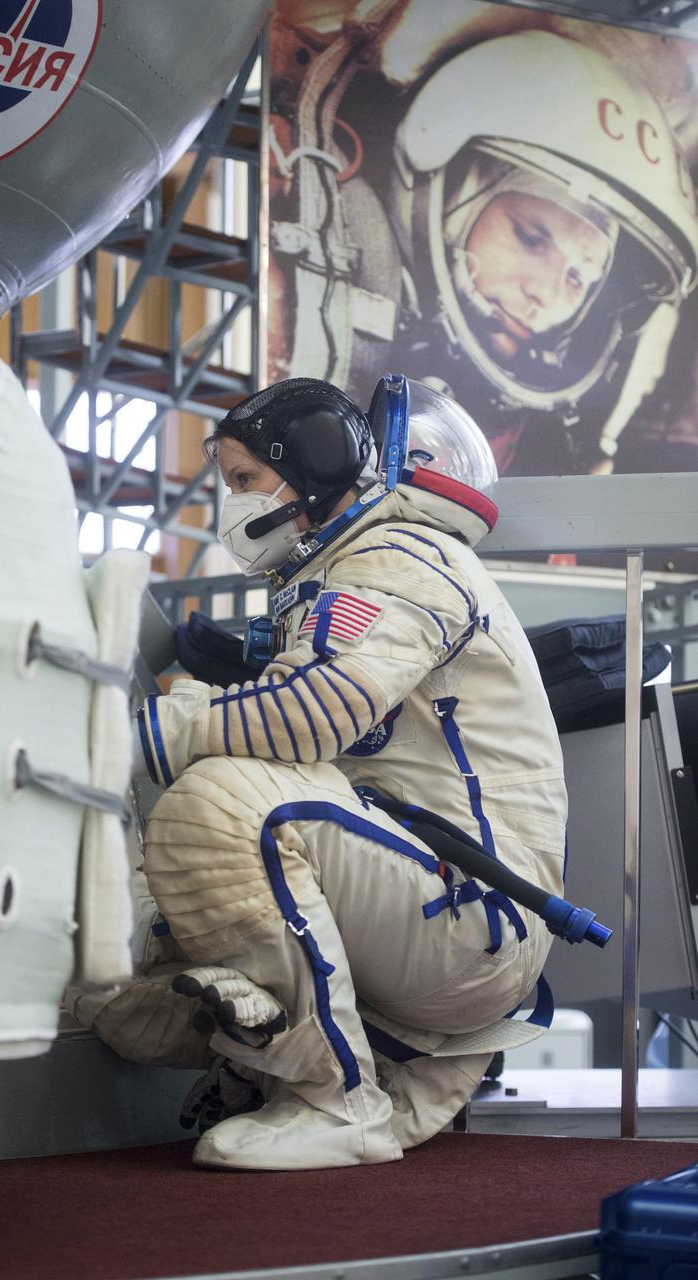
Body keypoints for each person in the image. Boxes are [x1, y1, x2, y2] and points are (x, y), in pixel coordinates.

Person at [76, 375, 570, 1171]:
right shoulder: (329, 575)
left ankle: (332, 1100)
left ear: (313, 464)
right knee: (118, 981)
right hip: (411, 903)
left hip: (477, 921)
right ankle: (263, 1063)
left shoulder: (400, 556)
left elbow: (317, 709)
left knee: (221, 802)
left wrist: (147, 732)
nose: (233, 501)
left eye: (243, 479)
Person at [271, 23, 698, 474]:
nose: (547, 297)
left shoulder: (553, 451)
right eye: (532, 239)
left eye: (579, 277)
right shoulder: (301, 312)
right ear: (448, 193)